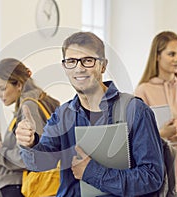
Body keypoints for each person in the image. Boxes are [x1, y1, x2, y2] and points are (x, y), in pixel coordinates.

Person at [15, 31, 164, 196]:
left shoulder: (135, 111)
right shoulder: (63, 115)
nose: (79, 68)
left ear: (103, 65)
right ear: (65, 66)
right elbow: (40, 164)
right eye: (71, 61)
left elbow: (152, 177)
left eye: (88, 60)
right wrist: (29, 144)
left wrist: (92, 172)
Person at [0, 58, 60, 197]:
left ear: (18, 84)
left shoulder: (29, 107)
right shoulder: (45, 102)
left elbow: (31, 155)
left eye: (2, 88)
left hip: (17, 186)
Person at [135, 31, 177, 197]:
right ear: (157, 56)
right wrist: (161, 134)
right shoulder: (143, 91)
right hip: (160, 172)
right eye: (171, 54)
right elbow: (136, 138)